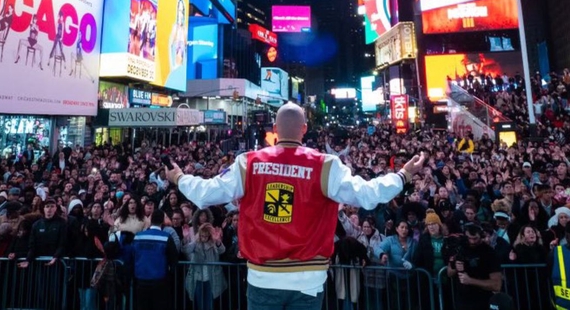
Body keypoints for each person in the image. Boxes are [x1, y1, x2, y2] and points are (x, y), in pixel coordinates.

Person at [166, 102, 426, 310]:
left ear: (274, 129)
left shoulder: (248, 163)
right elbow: (368, 194)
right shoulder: (326, 165)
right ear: (304, 129)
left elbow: (205, 193)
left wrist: (178, 177)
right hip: (309, 281)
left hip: (262, 278)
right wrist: (402, 175)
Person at [128, 209, 179, 310]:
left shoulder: (138, 236)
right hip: (159, 281)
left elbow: (131, 256)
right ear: (162, 221)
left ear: (150, 220)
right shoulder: (166, 237)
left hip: (141, 280)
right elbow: (174, 258)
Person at [447, 224, 502, 310]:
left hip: (483, 302)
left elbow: (496, 285)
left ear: (481, 236)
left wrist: (470, 280)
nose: (472, 241)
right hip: (462, 302)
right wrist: (456, 268)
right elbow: (449, 273)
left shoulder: (489, 253)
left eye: (475, 238)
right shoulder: (460, 249)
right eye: (469, 238)